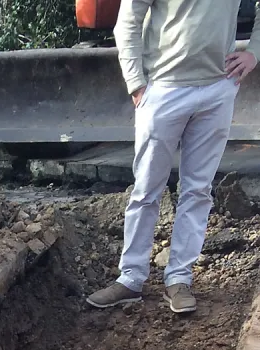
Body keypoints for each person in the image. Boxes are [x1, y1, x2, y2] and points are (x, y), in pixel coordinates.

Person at [87, 0, 260, 314]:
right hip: (164, 89)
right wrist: (137, 84)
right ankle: (131, 278)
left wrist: (254, 51)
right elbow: (128, 18)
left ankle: (179, 279)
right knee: (146, 189)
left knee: (198, 190)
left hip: (217, 90)